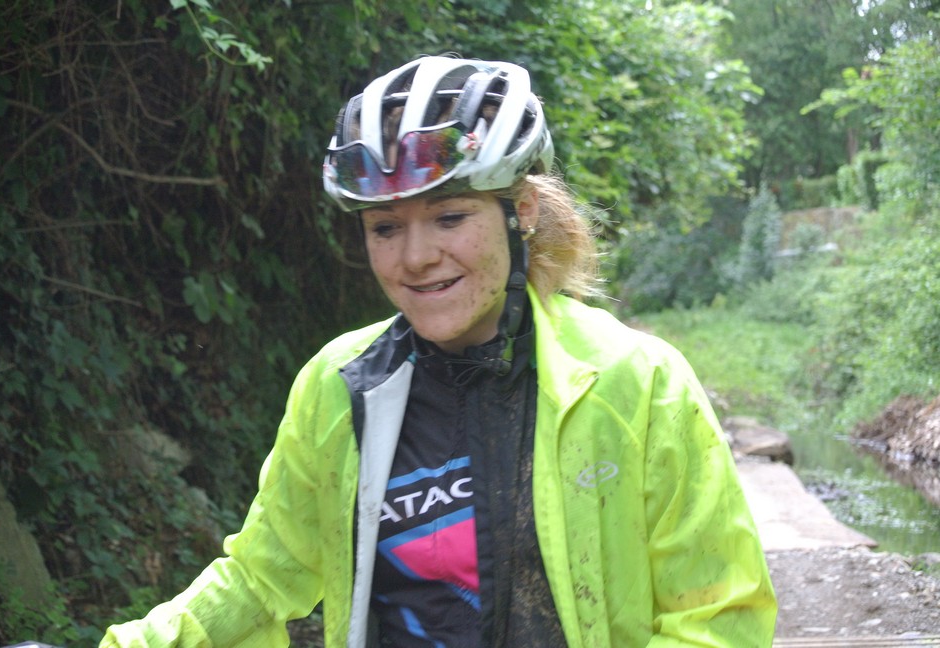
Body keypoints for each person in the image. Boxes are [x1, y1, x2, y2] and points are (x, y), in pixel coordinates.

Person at [100, 55, 777, 647]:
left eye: (450, 217)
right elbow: (258, 579)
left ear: (522, 211)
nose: (416, 257)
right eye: (384, 227)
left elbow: (717, 616)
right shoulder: (340, 386)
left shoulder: (638, 382)